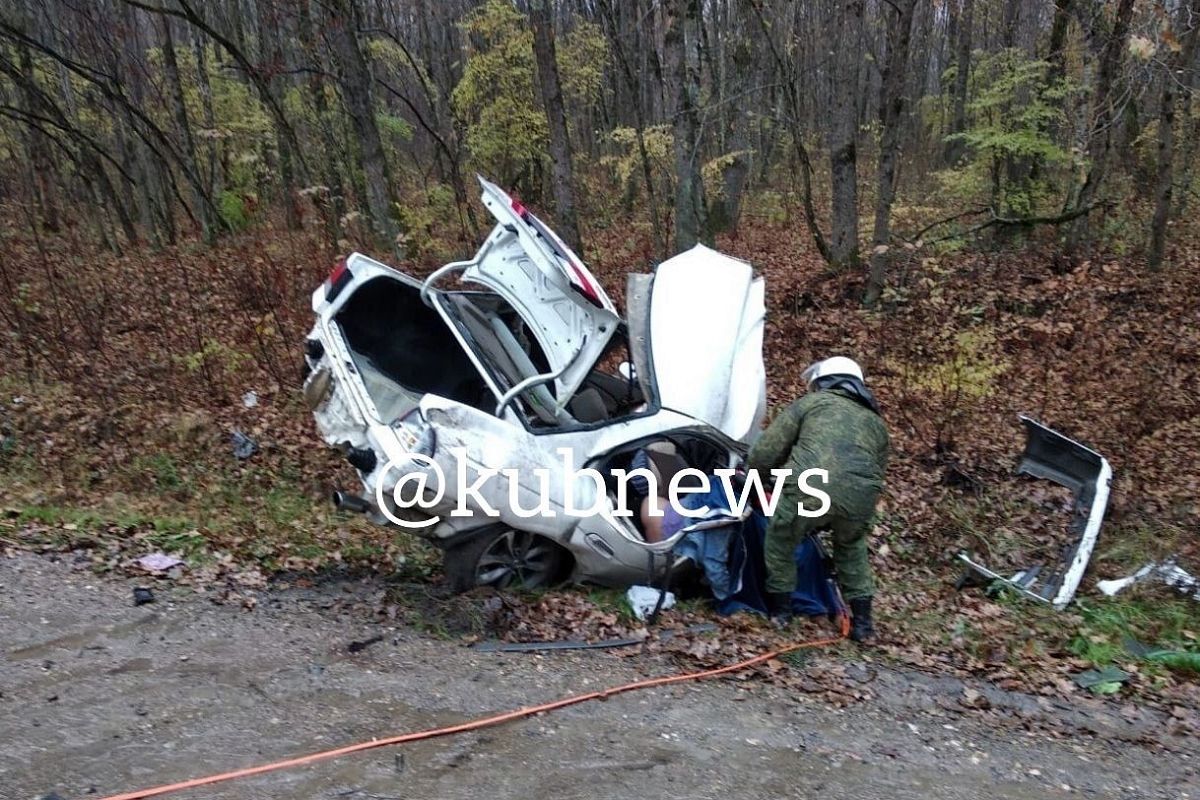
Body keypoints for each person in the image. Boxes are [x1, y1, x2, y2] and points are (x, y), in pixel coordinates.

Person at [746, 356, 889, 642]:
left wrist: (755, 477)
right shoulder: (876, 423)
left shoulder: (810, 405)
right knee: (851, 548)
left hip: (809, 488)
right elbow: (877, 466)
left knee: (781, 538)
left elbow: (768, 449)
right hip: (860, 496)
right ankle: (863, 625)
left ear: (822, 382)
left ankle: (782, 614)